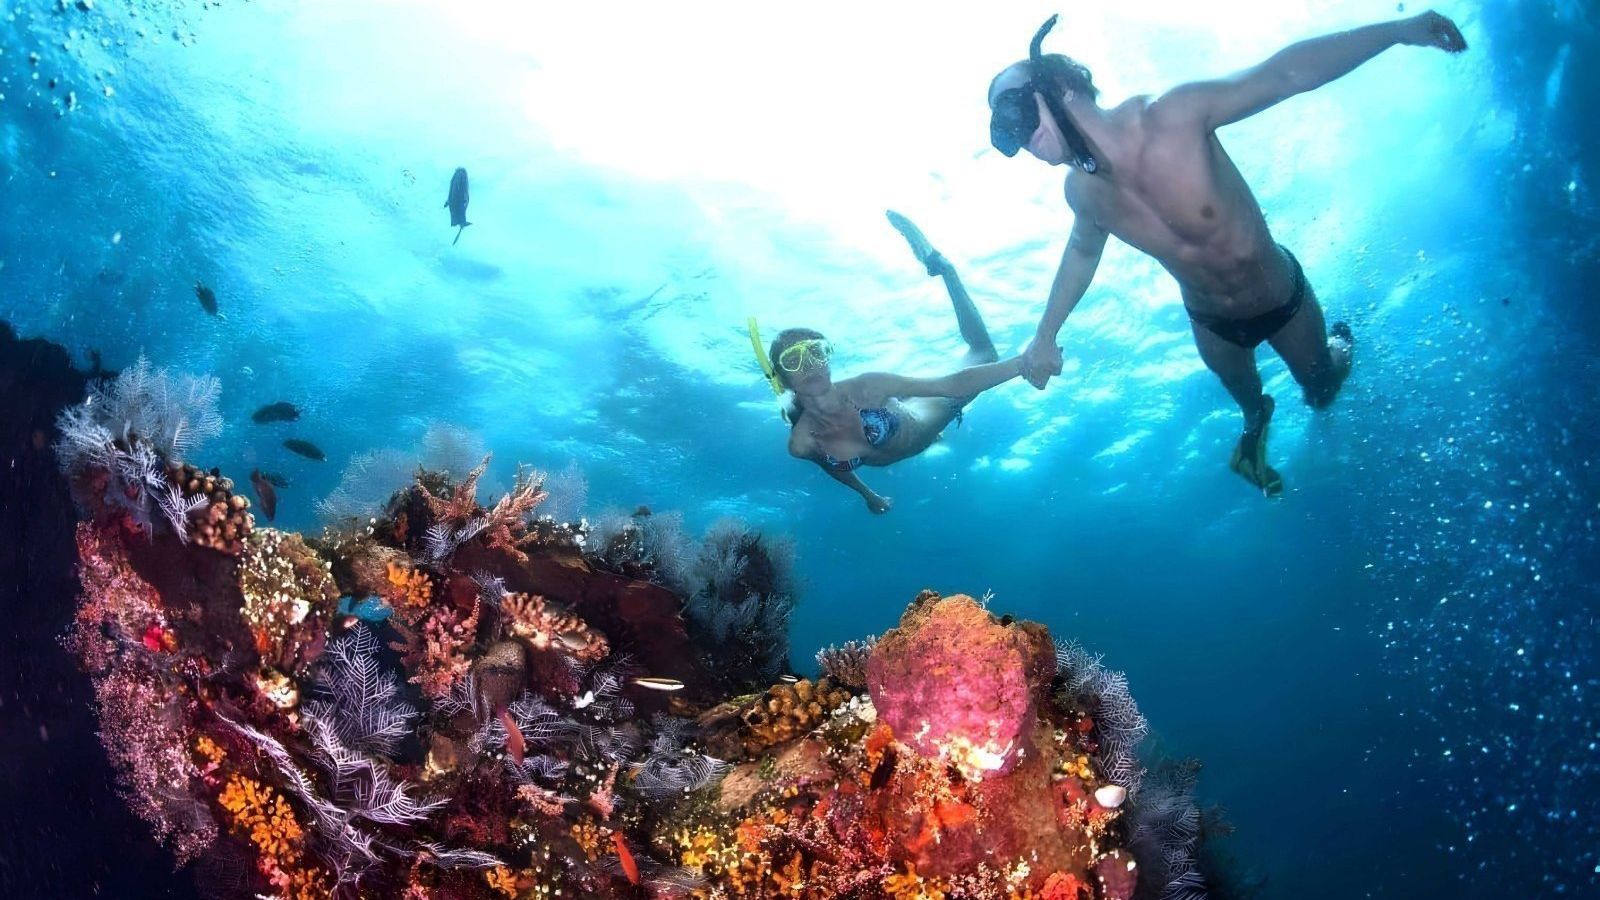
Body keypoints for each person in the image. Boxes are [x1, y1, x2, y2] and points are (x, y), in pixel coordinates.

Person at [988, 12, 1468, 496]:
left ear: (1062, 84)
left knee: (1321, 391)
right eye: (1002, 124)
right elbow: (1080, 251)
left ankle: (1339, 346)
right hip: (1213, 327)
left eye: (1013, 108)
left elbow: (1285, 75)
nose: (1012, 131)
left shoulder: (1172, 117)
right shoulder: (1083, 195)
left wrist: (1397, 32)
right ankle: (1254, 433)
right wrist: (1043, 336)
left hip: (1282, 301)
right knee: (1250, 404)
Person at [752, 212, 1024, 514]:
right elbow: (834, 468)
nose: (810, 365)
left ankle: (945, 269)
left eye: (817, 352)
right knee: (905, 394)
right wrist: (869, 495)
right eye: (793, 360)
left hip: (920, 420)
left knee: (984, 353)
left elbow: (951, 384)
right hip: (891, 411)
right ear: (782, 379)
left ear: (829, 358)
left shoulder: (868, 387)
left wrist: (1024, 363)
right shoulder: (801, 443)